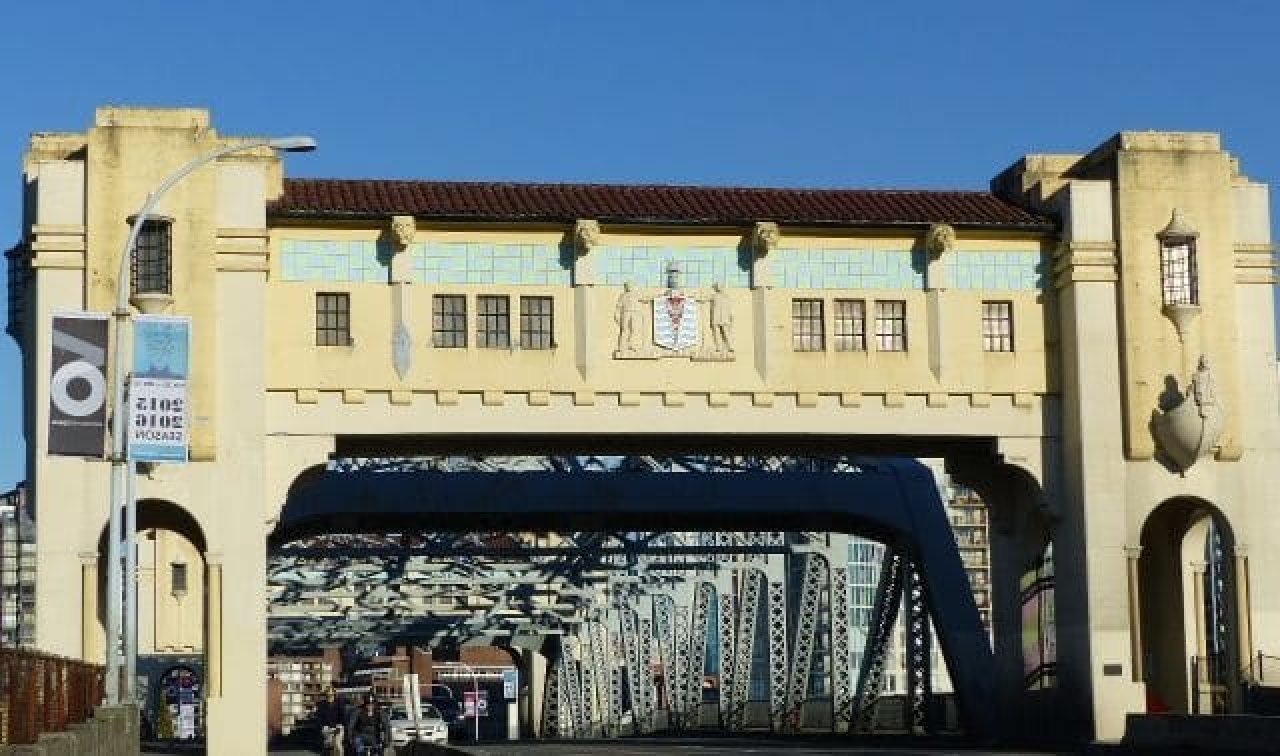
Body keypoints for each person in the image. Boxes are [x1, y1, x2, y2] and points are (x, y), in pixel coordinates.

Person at [316, 687, 345, 755]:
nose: (330, 697)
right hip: (327, 728)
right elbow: (319, 718)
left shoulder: (339, 703)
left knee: (337, 744)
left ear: (334, 695)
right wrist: (323, 726)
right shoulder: (321, 705)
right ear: (326, 696)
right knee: (329, 745)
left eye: (331, 695)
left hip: (338, 728)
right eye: (328, 695)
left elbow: (342, 716)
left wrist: (340, 724)